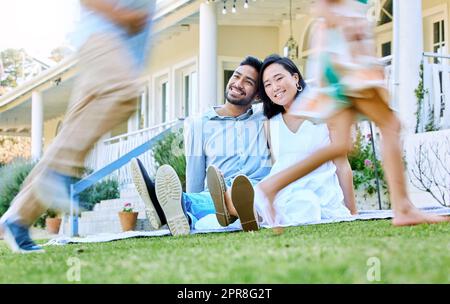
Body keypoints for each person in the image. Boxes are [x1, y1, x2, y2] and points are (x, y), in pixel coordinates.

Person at [257, 0, 450, 226]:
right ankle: (404, 208)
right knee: (390, 125)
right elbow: (324, 7)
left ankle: (270, 187)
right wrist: (357, 45)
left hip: (337, 55)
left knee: (340, 145)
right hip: (345, 57)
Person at [0, 0, 156, 253]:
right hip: (104, 39)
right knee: (124, 95)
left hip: (115, 49)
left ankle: (17, 219)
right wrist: (123, 17)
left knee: (68, 137)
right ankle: (58, 174)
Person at [208, 55, 356, 230]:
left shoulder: (325, 112)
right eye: (268, 84)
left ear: (295, 78)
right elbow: (279, 164)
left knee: (305, 203)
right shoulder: (271, 123)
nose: (275, 87)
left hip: (316, 191)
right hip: (281, 190)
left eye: (279, 79)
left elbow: (342, 165)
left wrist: (352, 211)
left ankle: (241, 213)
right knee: (253, 195)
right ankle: (237, 207)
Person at [130, 56, 272, 235]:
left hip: (255, 189)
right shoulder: (200, 124)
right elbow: (195, 175)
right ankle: (185, 212)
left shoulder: (264, 117)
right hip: (216, 194)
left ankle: (174, 206)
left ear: (258, 95)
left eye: (248, 82)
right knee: (211, 201)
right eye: (236, 76)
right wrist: (194, 195)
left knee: (233, 198)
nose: (238, 83)